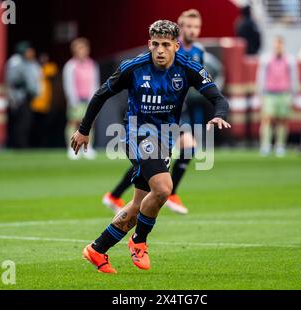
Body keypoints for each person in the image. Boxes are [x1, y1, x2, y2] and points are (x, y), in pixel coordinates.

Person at [70, 20, 230, 273]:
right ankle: (139, 242)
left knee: (139, 206)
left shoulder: (188, 68)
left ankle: (97, 249)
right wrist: (83, 129)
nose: (160, 50)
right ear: (149, 44)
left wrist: (219, 114)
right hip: (137, 136)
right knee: (164, 188)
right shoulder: (133, 67)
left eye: (166, 45)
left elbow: (217, 97)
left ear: (176, 46)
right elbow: (101, 94)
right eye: (155, 44)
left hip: (165, 140)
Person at [102, 9, 207, 215]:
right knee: (154, 158)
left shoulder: (198, 52)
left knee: (167, 155)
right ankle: (169, 192)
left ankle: (116, 195)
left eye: (196, 27)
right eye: (188, 26)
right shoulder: (166, 48)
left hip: (177, 110)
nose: (192, 31)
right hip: (155, 114)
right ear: (180, 27)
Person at [257, 36, 298, 157]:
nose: (278, 47)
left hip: (284, 93)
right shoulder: (266, 59)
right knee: (267, 119)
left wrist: (293, 95)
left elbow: (293, 78)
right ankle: (266, 145)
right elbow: (261, 77)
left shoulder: (290, 59)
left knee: (282, 120)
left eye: (280, 44)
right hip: (270, 93)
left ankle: (280, 145)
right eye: (276, 44)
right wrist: (260, 94)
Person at [63, 38, 100, 160]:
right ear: (75, 50)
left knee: (89, 123)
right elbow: (68, 84)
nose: (83, 51)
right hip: (76, 99)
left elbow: (94, 82)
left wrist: (94, 99)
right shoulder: (70, 65)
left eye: (85, 48)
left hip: (89, 99)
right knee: (74, 122)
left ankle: (87, 148)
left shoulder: (92, 64)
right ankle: (72, 148)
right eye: (80, 49)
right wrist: (72, 99)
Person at [5, 41, 41, 149]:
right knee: (20, 122)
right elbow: (12, 79)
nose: (31, 53)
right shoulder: (15, 61)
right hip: (18, 97)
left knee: (26, 122)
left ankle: (23, 144)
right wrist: (25, 83)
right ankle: (19, 145)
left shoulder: (29, 62)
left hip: (27, 96)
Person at [30, 53, 58, 148]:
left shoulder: (49, 67)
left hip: (47, 102)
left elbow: (52, 72)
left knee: (46, 126)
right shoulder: (34, 68)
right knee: (35, 125)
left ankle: (44, 144)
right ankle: (35, 144)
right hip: (36, 103)